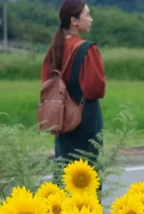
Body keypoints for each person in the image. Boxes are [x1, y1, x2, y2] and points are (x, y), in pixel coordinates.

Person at [40, 0, 106, 169]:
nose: (91, 19)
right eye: (87, 14)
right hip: (85, 120)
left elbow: (45, 84)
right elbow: (95, 89)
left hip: (61, 120)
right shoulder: (87, 50)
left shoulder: (54, 50)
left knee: (64, 175)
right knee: (86, 178)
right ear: (74, 20)